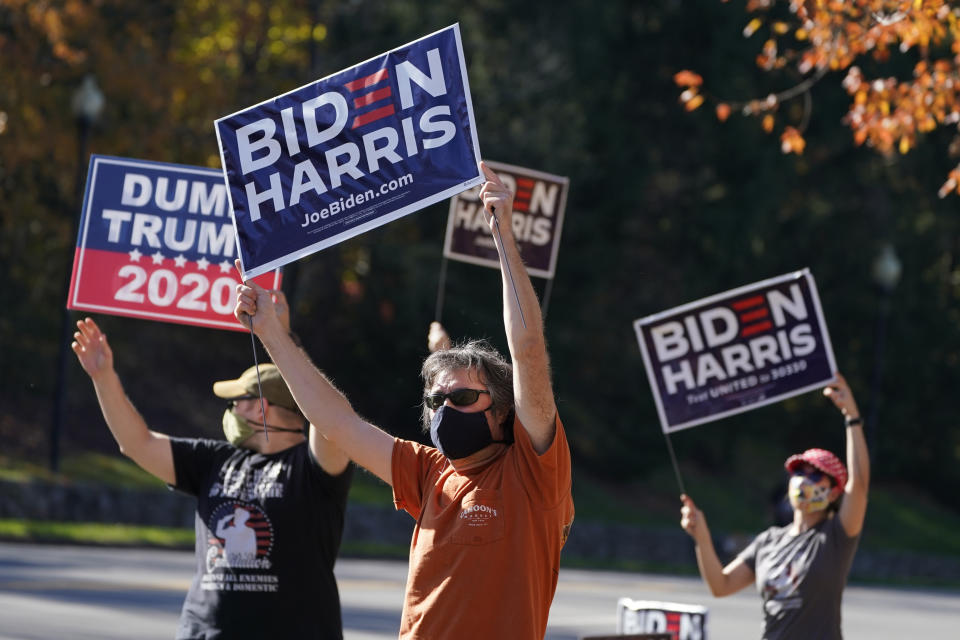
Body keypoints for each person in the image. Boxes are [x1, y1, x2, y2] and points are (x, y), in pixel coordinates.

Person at [234, 161, 575, 639]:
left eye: (461, 396)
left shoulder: (535, 475)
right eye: (436, 402)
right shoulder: (428, 472)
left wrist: (503, 237)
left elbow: (528, 351)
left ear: (502, 412)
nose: (445, 409)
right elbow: (338, 422)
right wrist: (272, 333)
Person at [70, 293, 352, 640]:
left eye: (238, 401)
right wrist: (103, 377)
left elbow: (332, 419)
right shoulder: (214, 460)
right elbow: (137, 444)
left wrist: (281, 338)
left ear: (262, 408)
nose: (231, 410)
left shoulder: (312, 468)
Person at [680, 373, 869, 640]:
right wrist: (701, 537)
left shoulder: (835, 536)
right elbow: (721, 585)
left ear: (835, 491)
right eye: (799, 472)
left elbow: (859, 483)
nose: (804, 480)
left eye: (815, 475)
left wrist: (852, 416)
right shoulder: (768, 541)